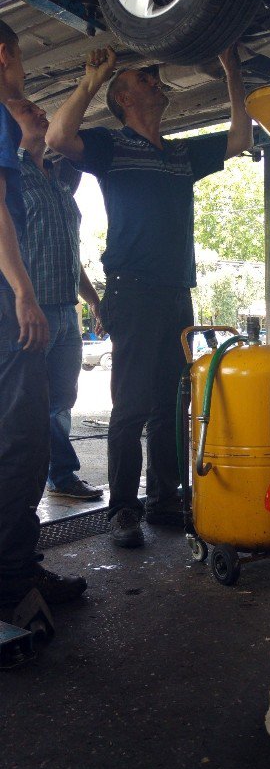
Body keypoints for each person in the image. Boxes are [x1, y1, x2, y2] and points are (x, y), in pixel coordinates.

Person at [47, 45, 253, 548]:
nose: (156, 83)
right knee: (133, 405)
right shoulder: (110, 147)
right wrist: (92, 80)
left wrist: (231, 71)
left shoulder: (181, 154)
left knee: (171, 404)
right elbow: (56, 136)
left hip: (175, 296)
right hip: (133, 294)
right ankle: (122, 509)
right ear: (123, 97)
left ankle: (163, 500)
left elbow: (241, 137)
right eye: (144, 80)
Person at [0, 21, 87, 607]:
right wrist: (23, 293)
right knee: (21, 441)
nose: (25, 76)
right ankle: (11, 584)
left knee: (23, 437)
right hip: (12, 304)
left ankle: (20, 567)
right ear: (5, 54)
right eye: (22, 60)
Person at [8, 97, 104, 501]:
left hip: (66, 309)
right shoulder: (10, 176)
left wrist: (94, 300)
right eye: (29, 109)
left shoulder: (58, 181)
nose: (41, 112)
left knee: (61, 402)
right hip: (30, 309)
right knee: (28, 405)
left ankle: (55, 476)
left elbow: (67, 249)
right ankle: (51, 479)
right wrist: (21, 296)